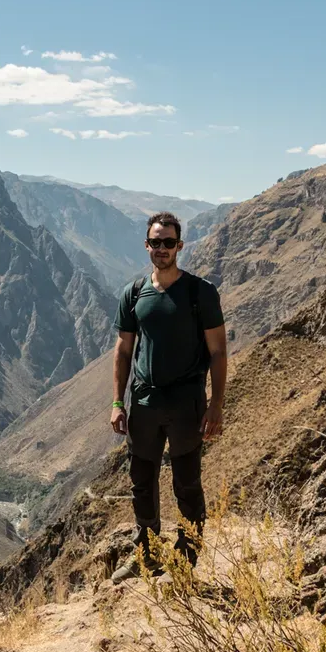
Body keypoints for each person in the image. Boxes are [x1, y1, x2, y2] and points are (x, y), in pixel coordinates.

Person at [108, 211, 227, 583]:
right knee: (141, 480)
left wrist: (216, 403)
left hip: (187, 404)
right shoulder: (134, 293)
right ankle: (145, 552)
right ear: (147, 245)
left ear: (180, 246)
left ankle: (185, 559)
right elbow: (123, 351)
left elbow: (219, 351)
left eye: (169, 242)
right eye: (155, 242)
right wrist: (117, 402)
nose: (162, 248)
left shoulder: (200, 293)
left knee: (186, 482)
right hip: (144, 403)